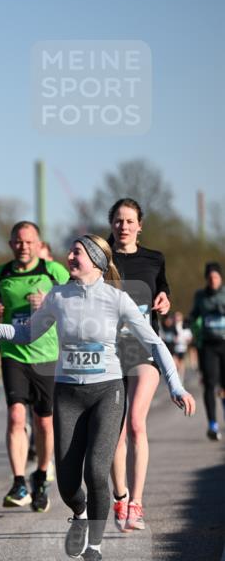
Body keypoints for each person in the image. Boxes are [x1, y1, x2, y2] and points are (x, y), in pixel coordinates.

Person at [0, 234, 195, 561]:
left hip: (107, 391)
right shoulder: (58, 296)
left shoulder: (117, 299)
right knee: (66, 482)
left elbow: (155, 343)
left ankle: (95, 549)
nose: (70, 256)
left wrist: (176, 385)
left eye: (77, 252)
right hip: (68, 394)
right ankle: (79, 515)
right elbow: (26, 333)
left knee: (96, 470)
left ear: (95, 260)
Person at [0, 222, 69, 512]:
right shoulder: (1, 274)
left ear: (39, 244)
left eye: (29, 242)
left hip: (47, 356)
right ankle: (19, 480)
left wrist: (50, 302)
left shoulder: (54, 271)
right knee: (15, 416)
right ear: (11, 244)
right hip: (14, 354)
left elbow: (77, 304)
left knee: (44, 422)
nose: (24, 247)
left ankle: (41, 475)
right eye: (18, 242)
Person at [108, 198, 171, 533]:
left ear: (139, 225)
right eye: (118, 220)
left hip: (143, 348)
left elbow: (163, 290)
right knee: (115, 433)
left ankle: (136, 504)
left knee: (135, 423)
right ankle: (120, 496)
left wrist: (165, 298)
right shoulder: (101, 257)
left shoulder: (154, 258)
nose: (124, 226)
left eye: (130, 221)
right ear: (112, 223)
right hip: (110, 351)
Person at [190, 262, 225, 441]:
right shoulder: (200, 296)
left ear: (220, 278)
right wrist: (191, 323)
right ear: (207, 279)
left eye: (216, 277)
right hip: (208, 345)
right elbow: (193, 314)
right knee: (210, 384)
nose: (213, 280)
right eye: (210, 277)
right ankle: (212, 424)